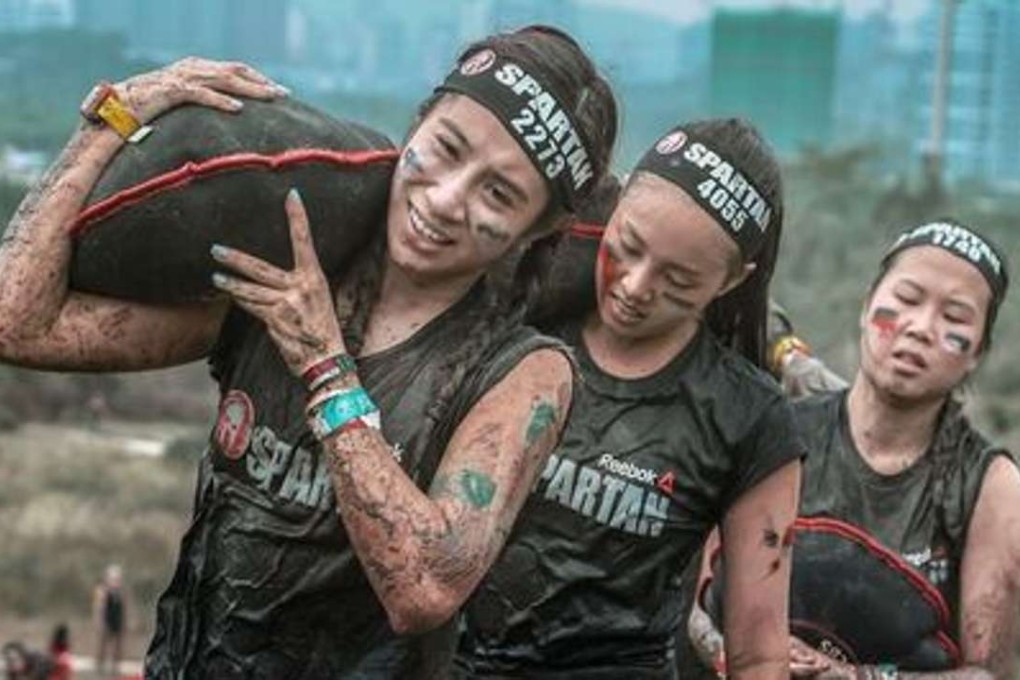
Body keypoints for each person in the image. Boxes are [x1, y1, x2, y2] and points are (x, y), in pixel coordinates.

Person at [0, 26, 618, 678]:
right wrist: (113, 120)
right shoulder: (282, 274)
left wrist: (326, 365)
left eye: (498, 194)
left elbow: (424, 589)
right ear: (418, 123)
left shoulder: (525, 373)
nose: (444, 201)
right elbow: (19, 324)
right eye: (446, 148)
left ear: (540, 227)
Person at [455, 119, 804, 679]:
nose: (636, 287)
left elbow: (759, 655)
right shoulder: (521, 322)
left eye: (679, 280)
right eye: (629, 246)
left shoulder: (748, 417)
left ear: (732, 280)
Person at [689, 220, 1020, 679]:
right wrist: (750, 656)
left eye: (955, 318)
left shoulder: (990, 487)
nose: (921, 327)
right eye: (907, 299)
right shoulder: (777, 431)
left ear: (977, 352)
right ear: (867, 306)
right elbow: (695, 604)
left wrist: (851, 677)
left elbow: (989, 675)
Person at [92, 565, 125, 678]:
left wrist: (125, 622)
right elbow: (98, 608)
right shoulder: (102, 591)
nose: (116, 581)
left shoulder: (121, 592)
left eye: (117, 578)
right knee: (102, 645)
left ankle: (115, 667)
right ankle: (99, 666)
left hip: (117, 621)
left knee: (117, 646)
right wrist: (99, 621)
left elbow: (124, 608)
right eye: (113, 578)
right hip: (106, 621)